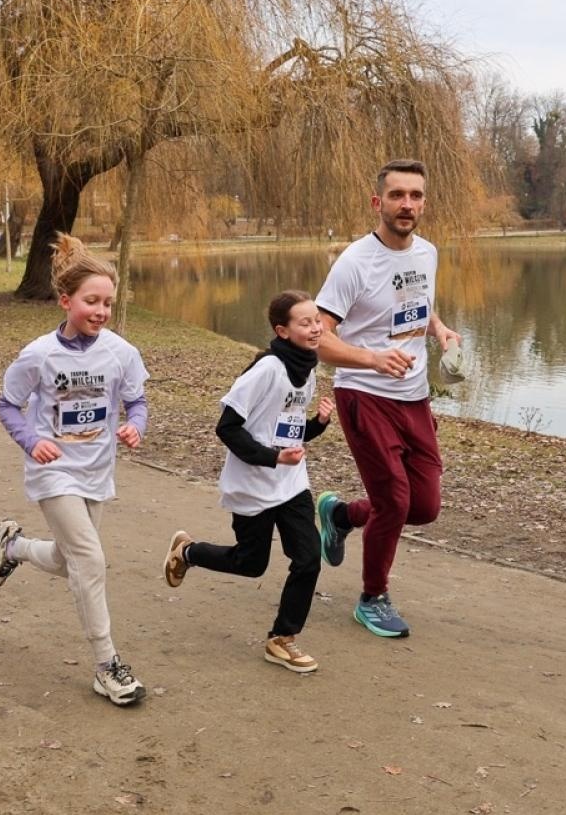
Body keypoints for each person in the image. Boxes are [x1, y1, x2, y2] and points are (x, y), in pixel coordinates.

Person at [0, 234, 150, 706]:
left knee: (68, 559)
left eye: (108, 303)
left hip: (97, 470)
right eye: (91, 301)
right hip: (53, 472)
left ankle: (12, 546)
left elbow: (136, 400)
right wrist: (32, 440)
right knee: (91, 562)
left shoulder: (122, 352)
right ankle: (106, 666)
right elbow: (8, 405)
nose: (100, 311)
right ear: (66, 301)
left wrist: (135, 426)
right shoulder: (38, 355)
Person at [312, 158, 460, 640]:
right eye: (397, 195)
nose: (407, 204)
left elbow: (418, 301)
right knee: (394, 501)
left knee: (424, 507)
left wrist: (438, 330)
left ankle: (340, 514)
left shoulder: (428, 253)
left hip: (413, 397)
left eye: (415, 196)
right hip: (364, 394)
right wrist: (372, 359)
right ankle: (372, 598)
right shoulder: (355, 261)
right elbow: (318, 337)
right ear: (379, 203)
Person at [162, 291, 335, 673]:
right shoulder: (267, 370)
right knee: (251, 564)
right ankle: (188, 552)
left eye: (317, 320)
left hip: (290, 484)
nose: (316, 327)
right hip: (252, 485)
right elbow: (227, 428)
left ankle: (282, 639)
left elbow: (285, 431)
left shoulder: (307, 367)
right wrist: (273, 457)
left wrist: (316, 426)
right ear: (282, 331)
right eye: (305, 322)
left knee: (307, 559)